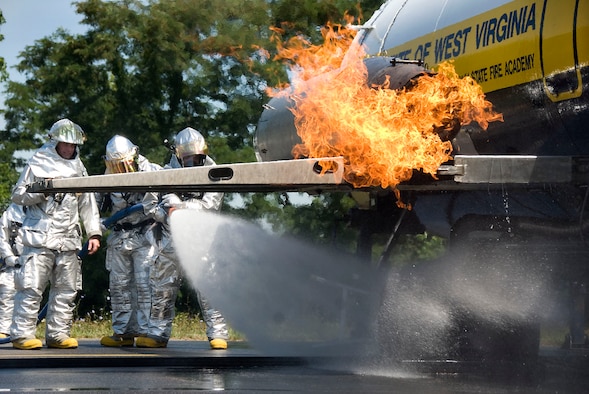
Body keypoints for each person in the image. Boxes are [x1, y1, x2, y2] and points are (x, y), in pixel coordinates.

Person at [10, 118, 102, 350]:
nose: (69, 149)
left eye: (73, 145)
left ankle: (58, 334)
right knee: (31, 287)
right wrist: (43, 191)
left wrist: (94, 233)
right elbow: (18, 195)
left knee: (66, 289)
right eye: (65, 144)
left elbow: (88, 203)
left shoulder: (79, 169)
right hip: (40, 238)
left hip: (68, 239)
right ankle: (22, 334)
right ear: (55, 143)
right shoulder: (38, 163)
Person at [139, 127, 229, 349]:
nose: (193, 162)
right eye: (188, 158)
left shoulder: (215, 173)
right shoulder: (163, 174)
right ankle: (157, 334)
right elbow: (150, 206)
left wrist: (176, 206)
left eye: (197, 157)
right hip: (170, 242)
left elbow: (209, 206)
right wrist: (166, 214)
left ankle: (218, 334)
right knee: (162, 289)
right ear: (178, 154)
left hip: (203, 241)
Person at [99, 135, 162, 347]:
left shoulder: (152, 171)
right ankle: (123, 332)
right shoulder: (106, 178)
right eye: (115, 165)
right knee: (119, 286)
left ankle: (147, 332)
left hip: (145, 235)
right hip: (118, 238)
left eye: (123, 163)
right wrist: (95, 227)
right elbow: (94, 205)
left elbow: (167, 197)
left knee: (146, 285)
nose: (120, 169)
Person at [0, 203, 25, 344]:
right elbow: (2, 239)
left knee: (30, 297)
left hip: (36, 261)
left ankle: (24, 331)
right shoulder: (11, 213)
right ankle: (4, 330)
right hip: (11, 264)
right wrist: (10, 258)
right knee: (7, 294)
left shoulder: (45, 209)